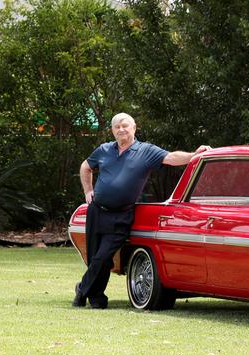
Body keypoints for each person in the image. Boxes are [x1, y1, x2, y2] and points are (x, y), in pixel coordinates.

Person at [72, 112, 210, 309]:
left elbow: (171, 157)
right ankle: (97, 299)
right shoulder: (103, 150)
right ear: (112, 131)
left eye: (125, 125)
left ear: (134, 128)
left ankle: (81, 289)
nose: (121, 129)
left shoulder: (146, 151)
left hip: (121, 214)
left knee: (103, 256)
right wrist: (88, 190)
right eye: (117, 127)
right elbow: (85, 166)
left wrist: (193, 155)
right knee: (96, 258)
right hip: (97, 211)